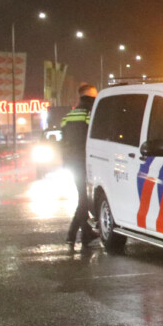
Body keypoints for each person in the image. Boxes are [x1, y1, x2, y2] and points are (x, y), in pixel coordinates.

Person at [61, 82, 98, 249]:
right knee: (84, 199)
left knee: (83, 197)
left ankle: (83, 234)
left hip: (71, 162)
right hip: (85, 161)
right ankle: (74, 234)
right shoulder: (90, 113)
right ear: (90, 95)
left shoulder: (69, 115)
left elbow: (64, 139)